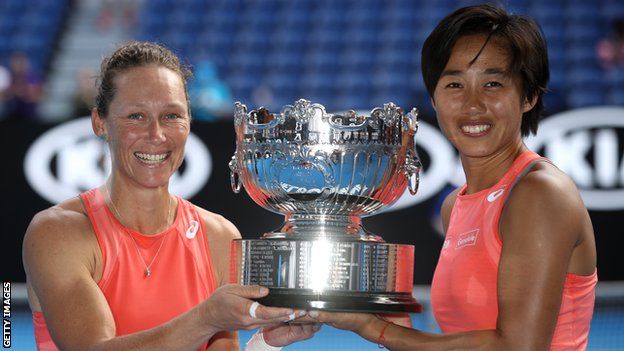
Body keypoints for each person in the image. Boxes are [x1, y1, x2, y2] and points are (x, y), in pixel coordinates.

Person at [310, 5, 597, 350]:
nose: (473, 104)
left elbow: (518, 346)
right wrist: (392, 322)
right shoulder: (453, 206)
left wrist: (377, 330)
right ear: (434, 98)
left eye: (493, 83)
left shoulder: (541, 192)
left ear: (528, 96)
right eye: (454, 84)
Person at [23, 41, 319, 351]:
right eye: (136, 116)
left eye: (171, 116)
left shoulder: (218, 236)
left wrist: (265, 344)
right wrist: (207, 319)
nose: (156, 134)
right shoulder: (56, 232)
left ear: (189, 122)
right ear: (100, 123)